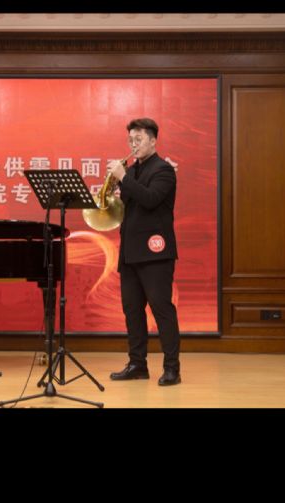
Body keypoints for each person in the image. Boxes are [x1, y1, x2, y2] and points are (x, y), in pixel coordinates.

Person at [107, 118, 181, 386]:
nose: (133, 145)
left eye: (138, 139)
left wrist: (123, 178)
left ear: (153, 140)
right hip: (130, 251)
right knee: (132, 310)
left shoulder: (164, 170)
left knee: (162, 309)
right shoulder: (132, 170)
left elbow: (150, 199)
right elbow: (130, 204)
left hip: (155, 252)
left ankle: (172, 368)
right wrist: (116, 191)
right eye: (130, 140)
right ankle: (137, 364)